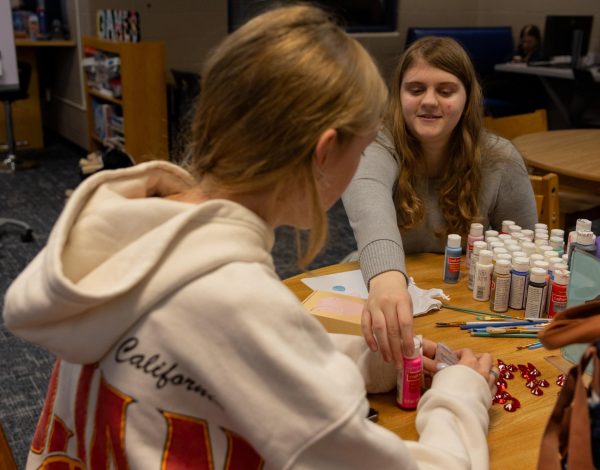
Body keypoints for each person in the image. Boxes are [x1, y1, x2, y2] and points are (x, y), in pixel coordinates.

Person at [4, 7, 496, 468]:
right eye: (362, 150)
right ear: (324, 153)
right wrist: (460, 393)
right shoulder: (236, 301)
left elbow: (227, 358)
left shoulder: (133, 231)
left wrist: (377, 364)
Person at [342, 36, 538, 367]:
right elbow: (368, 204)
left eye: (445, 91)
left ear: (467, 98)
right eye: (415, 89)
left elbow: (527, 252)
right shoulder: (376, 144)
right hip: (382, 287)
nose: (429, 101)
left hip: (466, 304)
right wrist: (389, 281)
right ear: (399, 94)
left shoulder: (500, 158)